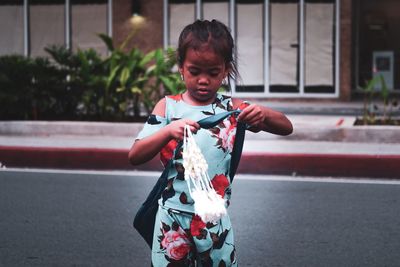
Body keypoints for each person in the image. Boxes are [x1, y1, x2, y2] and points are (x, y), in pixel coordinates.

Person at [129, 19, 293, 266]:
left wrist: (263, 114)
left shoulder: (232, 109)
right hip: (171, 218)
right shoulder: (168, 107)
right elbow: (136, 155)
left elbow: (286, 127)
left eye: (213, 72)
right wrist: (167, 131)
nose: (203, 80)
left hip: (214, 219)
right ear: (181, 68)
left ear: (226, 70)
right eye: (195, 71)